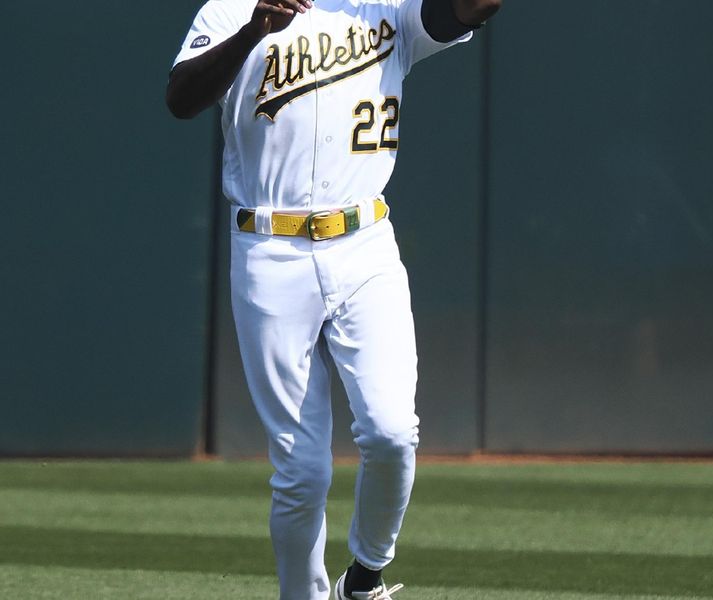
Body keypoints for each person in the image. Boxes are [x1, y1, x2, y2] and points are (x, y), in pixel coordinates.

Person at [167, 0, 501, 598]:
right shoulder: (232, 8)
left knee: (393, 432)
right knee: (301, 472)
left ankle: (365, 577)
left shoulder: (388, 8)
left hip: (364, 242)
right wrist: (252, 32)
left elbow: (469, 9)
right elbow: (181, 98)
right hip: (270, 248)